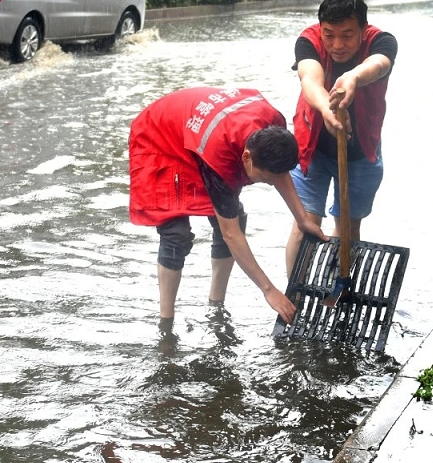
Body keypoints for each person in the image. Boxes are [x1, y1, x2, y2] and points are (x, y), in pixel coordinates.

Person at [128, 86, 327, 329]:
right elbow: (231, 234)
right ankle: (166, 324)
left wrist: (302, 218)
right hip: (160, 136)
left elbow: (280, 173)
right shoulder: (219, 153)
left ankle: (216, 306)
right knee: (176, 234)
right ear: (246, 158)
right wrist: (269, 290)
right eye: (264, 178)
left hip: (197, 128)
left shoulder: (273, 125)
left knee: (235, 217)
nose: (271, 182)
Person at [284, 0, 397, 278]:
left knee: (347, 224)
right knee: (305, 221)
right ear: (320, 29)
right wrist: (326, 108)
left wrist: (354, 77)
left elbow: (380, 64)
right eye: (329, 35)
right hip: (313, 148)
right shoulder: (308, 40)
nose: (337, 45)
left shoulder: (381, 41)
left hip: (361, 150)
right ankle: (295, 295)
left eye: (347, 35)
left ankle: (336, 291)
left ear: (363, 29)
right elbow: (309, 78)